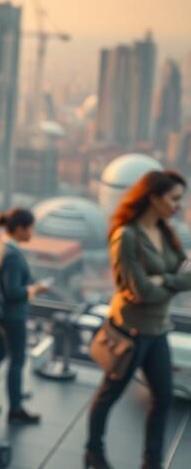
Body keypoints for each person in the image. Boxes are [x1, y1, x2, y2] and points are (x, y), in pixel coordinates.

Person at [85, 170, 191, 469]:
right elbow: (139, 291)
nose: (178, 205)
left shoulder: (166, 233)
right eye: (173, 199)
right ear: (153, 198)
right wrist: (168, 283)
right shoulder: (126, 235)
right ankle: (93, 452)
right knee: (109, 395)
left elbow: (187, 276)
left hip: (157, 330)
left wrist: (164, 281)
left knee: (163, 398)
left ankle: (152, 463)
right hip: (129, 331)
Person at [0, 208, 48, 425]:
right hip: (13, 315)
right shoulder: (13, 255)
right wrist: (35, 290)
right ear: (19, 229)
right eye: (30, 228)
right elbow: (13, 291)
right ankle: (15, 409)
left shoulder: (2, 245)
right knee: (17, 361)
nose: (32, 233)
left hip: (2, 313)